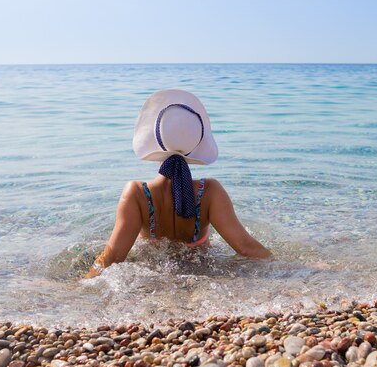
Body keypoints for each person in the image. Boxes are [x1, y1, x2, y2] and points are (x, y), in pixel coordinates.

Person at [85, 89, 272, 278]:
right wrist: (291, 272)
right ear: (196, 144)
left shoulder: (136, 194)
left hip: (153, 279)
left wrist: (78, 289)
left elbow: (113, 257)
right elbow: (247, 248)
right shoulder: (210, 192)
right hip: (203, 277)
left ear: (154, 140)